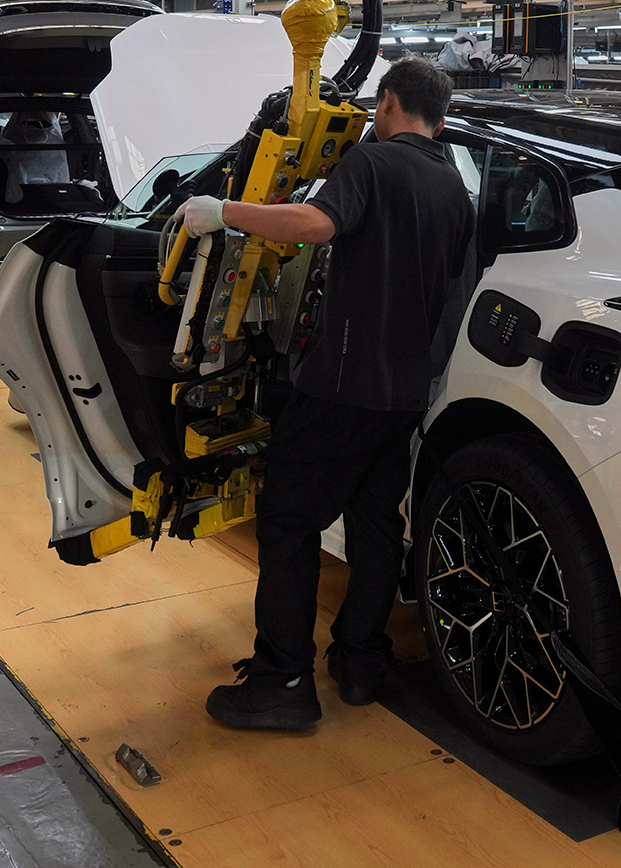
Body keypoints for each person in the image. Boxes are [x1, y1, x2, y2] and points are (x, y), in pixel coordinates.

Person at [177, 59, 473, 730]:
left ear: (387, 101)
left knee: (288, 521)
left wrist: (222, 212)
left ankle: (282, 678)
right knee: (375, 522)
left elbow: (315, 225)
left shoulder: (374, 163)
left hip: (343, 384)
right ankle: (361, 660)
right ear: (441, 118)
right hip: (404, 392)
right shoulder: (454, 185)